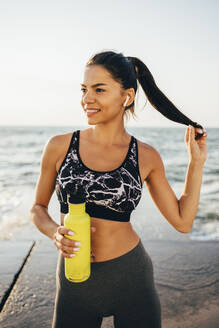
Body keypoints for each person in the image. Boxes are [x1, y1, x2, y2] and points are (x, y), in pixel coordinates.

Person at [29, 50, 207, 328]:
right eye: (84, 89)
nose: (87, 99)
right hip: (75, 282)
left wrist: (196, 163)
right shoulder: (59, 146)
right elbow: (37, 208)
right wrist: (54, 232)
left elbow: (183, 221)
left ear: (127, 97)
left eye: (99, 89)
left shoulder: (146, 156)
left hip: (131, 278)